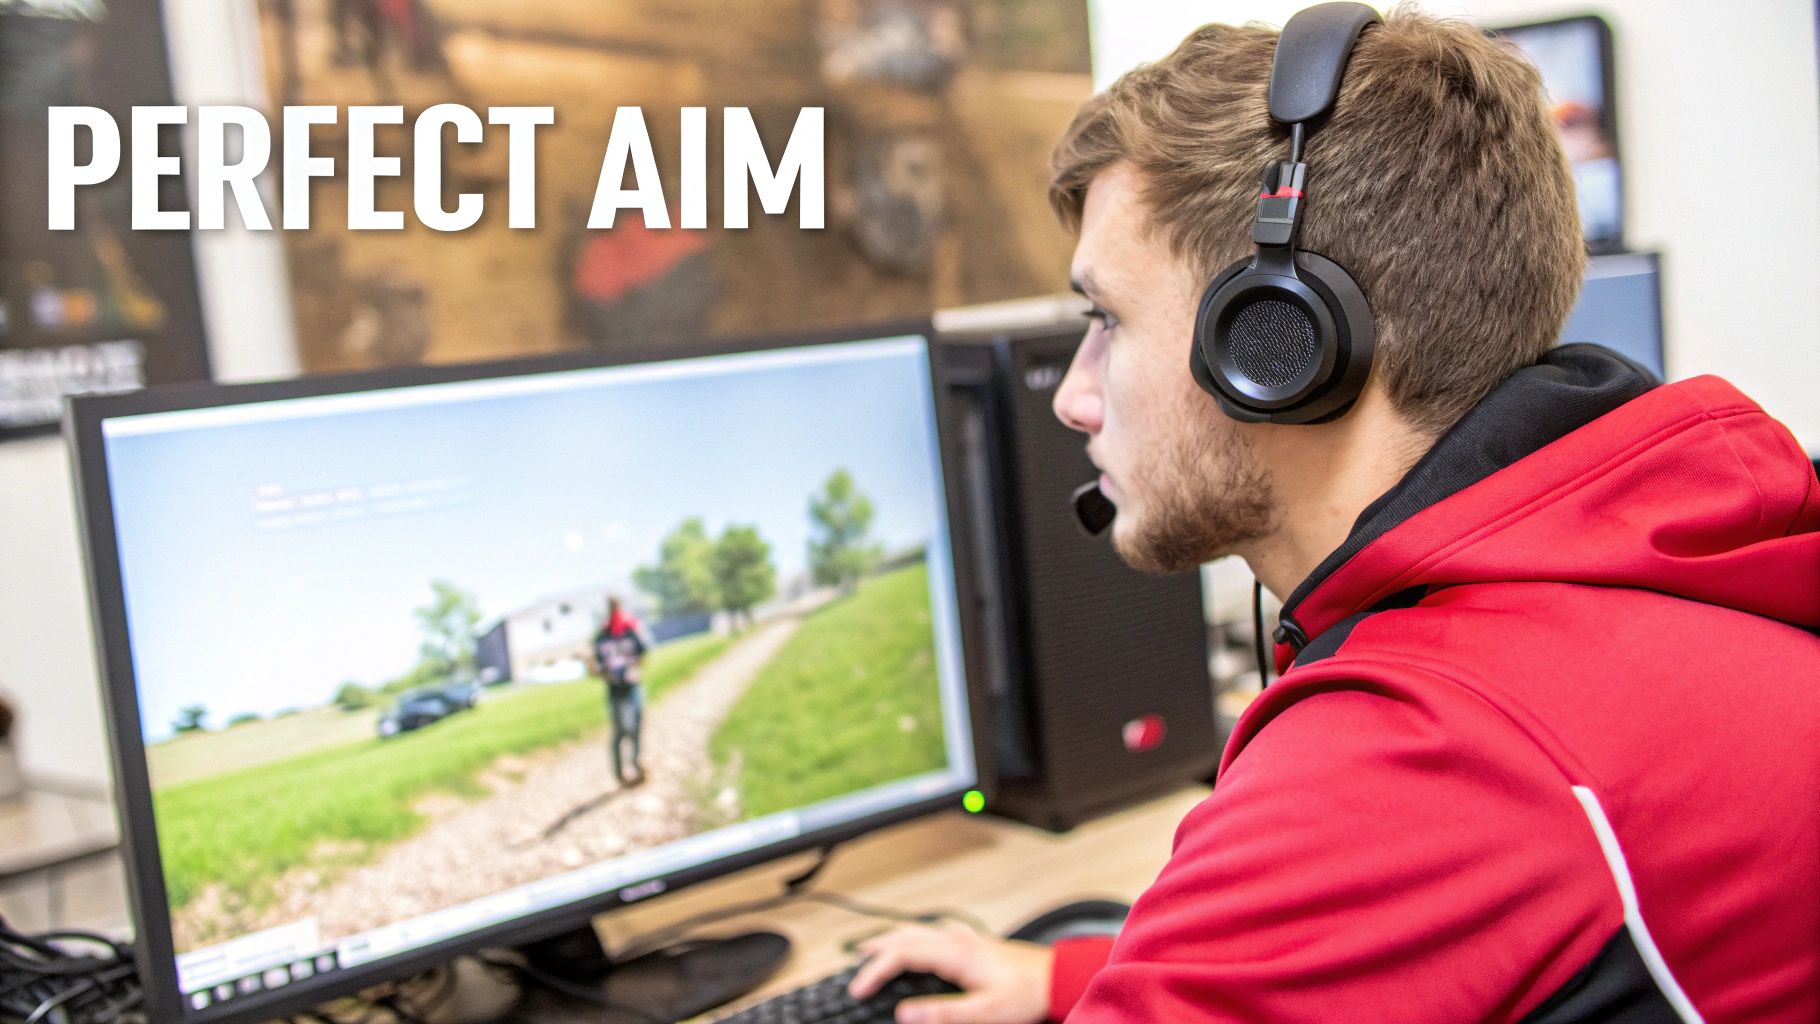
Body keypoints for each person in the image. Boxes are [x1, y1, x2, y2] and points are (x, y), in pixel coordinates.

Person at [850, 6, 1819, 1023]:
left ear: (1275, 345)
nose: (1071, 397)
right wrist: (1064, 976)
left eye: (1105, 320)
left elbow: (1396, 832)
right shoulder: (1651, 567)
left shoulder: (1427, 750)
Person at [594, 597, 654, 786]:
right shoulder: (602, 635)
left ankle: (636, 764)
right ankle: (620, 774)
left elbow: (643, 653)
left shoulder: (630, 630)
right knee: (620, 731)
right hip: (615, 689)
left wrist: (634, 668)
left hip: (633, 686)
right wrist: (604, 674)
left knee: (636, 727)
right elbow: (598, 665)